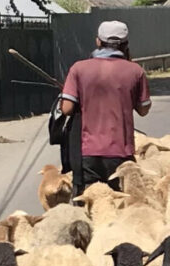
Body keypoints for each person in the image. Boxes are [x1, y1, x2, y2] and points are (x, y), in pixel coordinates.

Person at [60, 20, 151, 195]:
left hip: (87, 152)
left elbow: (67, 109)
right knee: (120, 203)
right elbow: (144, 110)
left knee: (91, 202)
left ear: (98, 41)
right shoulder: (135, 71)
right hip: (121, 153)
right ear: (125, 45)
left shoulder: (79, 69)